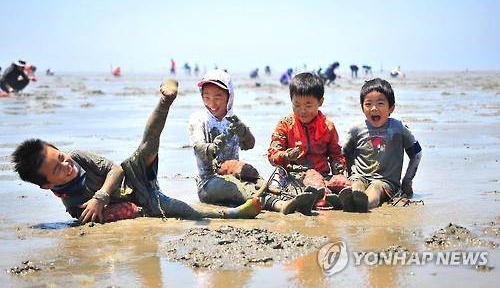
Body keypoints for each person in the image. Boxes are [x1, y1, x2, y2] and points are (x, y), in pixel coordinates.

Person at [11, 79, 261, 224]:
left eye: (61, 158)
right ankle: (233, 213)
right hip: (141, 200)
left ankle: (165, 101)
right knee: (183, 210)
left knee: (148, 146)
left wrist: (100, 196)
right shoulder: (74, 204)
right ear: (47, 185)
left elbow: (115, 169)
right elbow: (119, 213)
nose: (66, 165)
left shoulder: (77, 157)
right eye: (57, 170)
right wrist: (126, 210)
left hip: (132, 176)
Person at [188, 69, 316, 215]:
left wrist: (244, 132)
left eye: (218, 97)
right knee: (239, 188)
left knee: (257, 180)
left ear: (229, 97)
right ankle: (280, 205)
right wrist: (211, 148)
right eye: (206, 97)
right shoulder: (199, 119)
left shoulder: (233, 120)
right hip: (208, 182)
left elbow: (249, 144)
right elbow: (198, 147)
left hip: (234, 173)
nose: (212, 103)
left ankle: (291, 198)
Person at [267, 72, 347, 209]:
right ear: (291, 100)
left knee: (341, 181)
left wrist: (339, 169)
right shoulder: (285, 124)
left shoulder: (328, 127)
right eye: (296, 105)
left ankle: (349, 197)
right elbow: (272, 155)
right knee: (312, 179)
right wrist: (286, 155)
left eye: (308, 105)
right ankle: (322, 199)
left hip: (322, 174)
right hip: (293, 175)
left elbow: (336, 155)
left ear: (320, 102)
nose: (302, 110)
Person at [341, 78, 422, 212]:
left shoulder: (399, 128)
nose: (374, 108)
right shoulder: (356, 129)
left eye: (380, 103)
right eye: (368, 104)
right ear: (362, 107)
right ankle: (351, 200)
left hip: (386, 181)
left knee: (375, 187)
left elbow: (416, 153)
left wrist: (407, 180)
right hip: (360, 175)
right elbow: (345, 153)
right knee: (356, 183)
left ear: (391, 107)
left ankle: (364, 204)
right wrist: (349, 173)